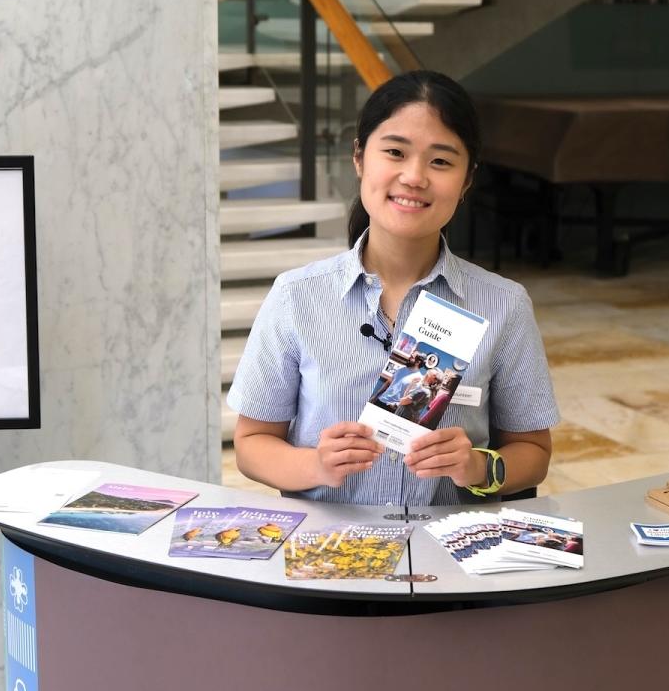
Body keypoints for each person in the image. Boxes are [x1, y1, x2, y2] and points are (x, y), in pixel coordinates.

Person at [227, 70, 559, 506]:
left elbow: (533, 453)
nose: (415, 176)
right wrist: (316, 466)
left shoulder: (503, 303)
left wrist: (477, 467)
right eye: (395, 152)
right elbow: (252, 444)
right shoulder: (297, 296)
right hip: (330, 555)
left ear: (467, 180)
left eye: (440, 161)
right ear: (360, 158)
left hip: (448, 555)